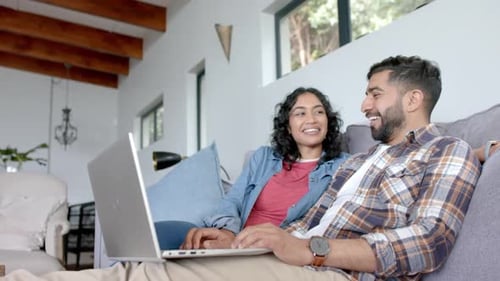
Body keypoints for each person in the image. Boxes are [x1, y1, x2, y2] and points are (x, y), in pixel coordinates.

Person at [2, 55, 482, 281]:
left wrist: (308, 249)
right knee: (147, 265)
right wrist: (237, 238)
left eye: (375, 93)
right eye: (367, 93)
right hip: (289, 255)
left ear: (414, 98)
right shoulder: (359, 161)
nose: (365, 103)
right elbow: (295, 223)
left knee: (157, 277)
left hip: (336, 271)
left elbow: (430, 243)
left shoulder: (447, 151)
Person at [155, 87, 349, 250]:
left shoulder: (343, 166)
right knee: (164, 236)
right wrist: (228, 233)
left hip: (270, 251)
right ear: (288, 127)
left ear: (328, 121)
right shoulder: (264, 157)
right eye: (300, 113)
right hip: (234, 240)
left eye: (319, 111)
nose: (312, 119)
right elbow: (234, 199)